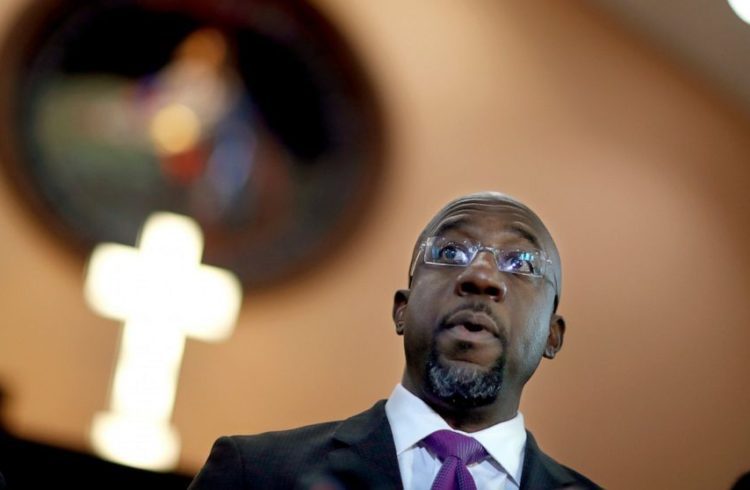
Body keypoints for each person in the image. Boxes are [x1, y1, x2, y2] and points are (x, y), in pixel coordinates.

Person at [189, 191, 602, 489]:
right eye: (450, 252)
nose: (480, 276)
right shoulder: (253, 474)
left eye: (521, 263)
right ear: (401, 310)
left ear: (552, 335)